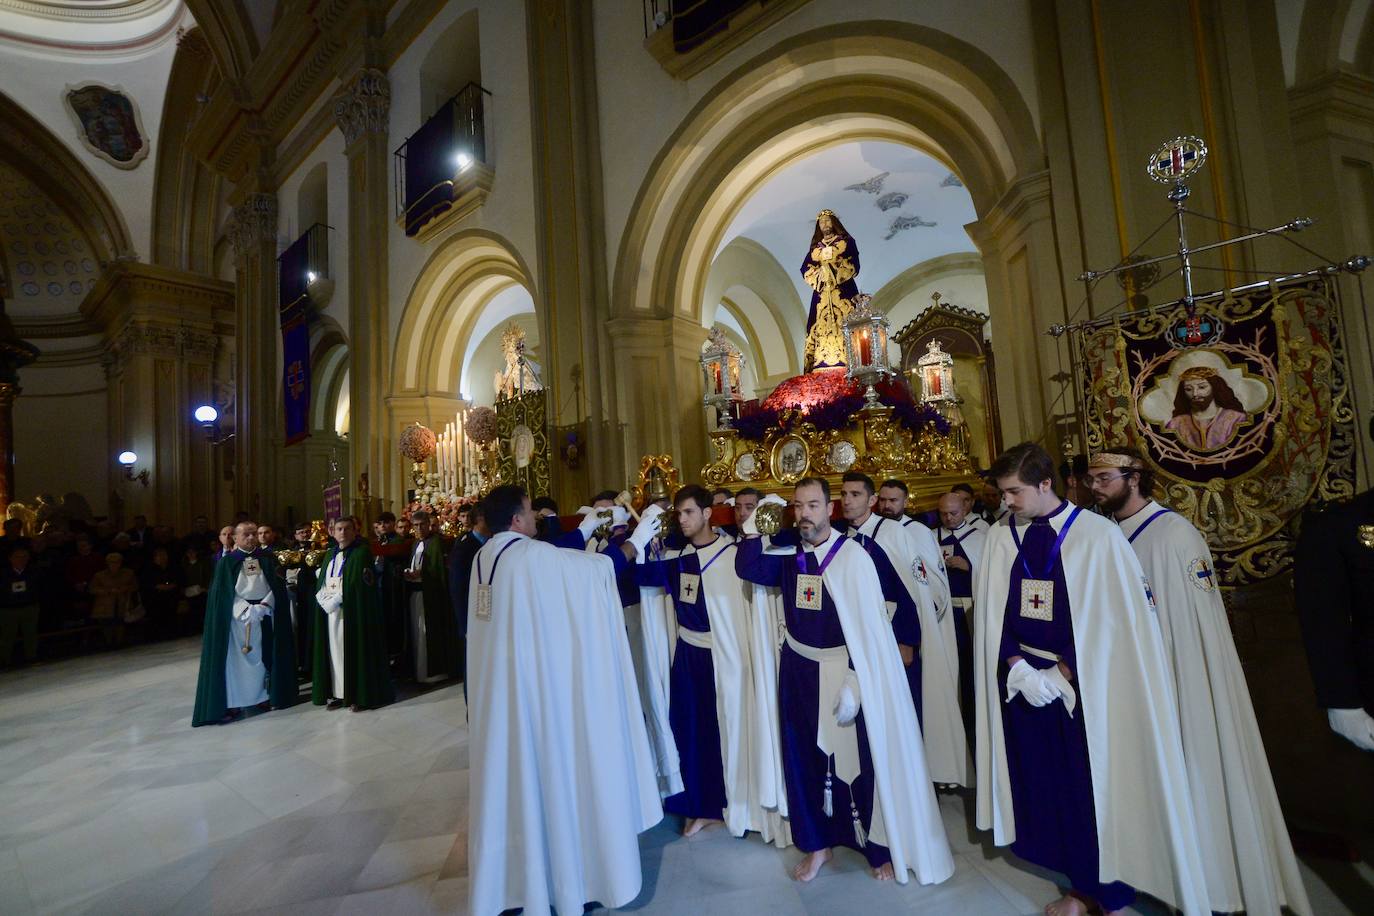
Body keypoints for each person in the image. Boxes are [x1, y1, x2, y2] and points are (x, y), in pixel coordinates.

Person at [974, 442, 1209, 916]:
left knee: (1094, 792)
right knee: (1047, 789)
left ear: (1047, 484)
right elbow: (990, 615)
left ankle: (1113, 893)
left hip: (1085, 689)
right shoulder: (1002, 537)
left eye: (1015, 492)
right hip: (1024, 684)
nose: (1007, 503)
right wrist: (1017, 665)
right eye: (1003, 494)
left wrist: (1062, 671)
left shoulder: (1098, 535)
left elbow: (1114, 619)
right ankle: (1079, 887)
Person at [1088, 449, 1310, 914]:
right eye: (1092, 479)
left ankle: (1215, 888)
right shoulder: (1107, 534)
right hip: (1135, 683)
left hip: (1177, 682)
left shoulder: (1174, 535)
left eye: (1104, 478)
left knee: (1199, 777)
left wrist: (1173, 681)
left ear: (1135, 478)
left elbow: (1192, 629)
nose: (1095, 487)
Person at [736, 476, 953, 885]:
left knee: (862, 763)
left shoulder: (854, 556)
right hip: (799, 669)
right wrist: (756, 525)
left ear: (829, 508)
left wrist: (856, 677)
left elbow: (878, 615)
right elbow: (747, 567)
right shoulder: (786, 553)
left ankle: (876, 847)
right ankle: (817, 844)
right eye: (797, 506)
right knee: (804, 760)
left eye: (813, 505)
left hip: (847, 670)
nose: (804, 514)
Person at [467, 484, 662, 915]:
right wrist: (636, 541)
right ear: (517, 520)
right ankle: (567, 881)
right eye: (529, 512)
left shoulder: (488, 557)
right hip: (538, 699)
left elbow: (558, 559)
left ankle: (518, 884)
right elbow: (592, 572)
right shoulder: (530, 558)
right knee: (549, 779)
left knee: (514, 788)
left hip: (501, 700)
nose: (536, 517)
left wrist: (583, 531)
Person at [634, 484, 786, 843]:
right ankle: (698, 805)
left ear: (706, 513)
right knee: (690, 730)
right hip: (689, 655)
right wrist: (636, 541)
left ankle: (731, 802)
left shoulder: (732, 555)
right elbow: (642, 580)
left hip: (725, 657)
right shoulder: (678, 556)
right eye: (678, 513)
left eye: (688, 512)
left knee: (727, 729)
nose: (682, 519)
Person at [839, 473, 967, 788]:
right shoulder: (842, 537)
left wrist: (909, 639)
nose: (847, 500)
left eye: (855, 494)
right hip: (859, 643)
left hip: (896, 643)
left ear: (870, 500)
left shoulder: (897, 533)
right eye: (843, 494)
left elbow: (920, 590)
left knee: (905, 720)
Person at [191, 521, 297, 726]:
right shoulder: (227, 562)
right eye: (245, 535)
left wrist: (265, 605)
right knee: (235, 662)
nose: (250, 538)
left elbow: (276, 586)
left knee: (264, 658)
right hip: (237, 620)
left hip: (265, 615)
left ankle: (264, 698)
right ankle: (235, 702)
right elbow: (223, 594)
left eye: (252, 534)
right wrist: (245, 610)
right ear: (236, 538)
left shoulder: (267, 558)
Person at [313, 516, 394, 711]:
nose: (343, 532)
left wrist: (335, 599)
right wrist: (323, 598)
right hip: (331, 613)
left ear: (354, 531)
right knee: (336, 654)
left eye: (347, 529)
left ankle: (358, 695)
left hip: (352, 613)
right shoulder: (330, 554)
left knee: (353, 651)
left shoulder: (360, 553)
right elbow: (324, 580)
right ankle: (341, 693)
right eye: (339, 529)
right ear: (332, 532)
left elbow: (358, 584)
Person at [936, 490, 984, 739]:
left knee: (970, 666)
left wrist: (970, 567)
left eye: (953, 513)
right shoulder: (931, 537)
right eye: (943, 514)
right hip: (943, 612)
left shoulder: (979, 537)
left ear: (964, 510)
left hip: (969, 610)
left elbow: (989, 574)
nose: (948, 518)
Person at [403, 510, 461, 683]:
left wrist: (422, 574)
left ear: (429, 525)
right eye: (415, 525)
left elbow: (438, 570)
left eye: (422, 525)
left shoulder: (436, 543)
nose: (419, 528)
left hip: (432, 596)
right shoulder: (415, 544)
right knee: (418, 632)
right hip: (416, 593)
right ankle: (420, 672)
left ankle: (434, 674)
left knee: (429, 633)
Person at [447, 504, 487, 707]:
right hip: (471, 618)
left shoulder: (490, 543)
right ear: (480, 519)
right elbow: (458, 589)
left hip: (486, 617)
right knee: (472, 667)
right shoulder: (464, 547)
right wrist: (465, 625)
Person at [1165, 365, 1249, 451]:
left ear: (1214, 387)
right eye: (1188, 389)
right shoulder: (1176, 423)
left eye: (1202, 387)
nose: (1195, 394)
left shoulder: (1236, 418)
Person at [0, 547, 41, 666]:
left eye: (24, 557)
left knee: (31, 633)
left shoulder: (34, 572)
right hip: (8, 609)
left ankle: (31, 657)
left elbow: (38, 588)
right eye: (18, 557)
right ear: (11, 559)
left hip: (29, 607)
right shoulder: (3, 574)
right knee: (7, 635)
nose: (21, 559)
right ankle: (4, 660)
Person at [89, 551, 138, 644]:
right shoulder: (99, 575)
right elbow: (92, 589)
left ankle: (119, 642)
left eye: (117, 562)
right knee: (107, 624)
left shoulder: (128, 573)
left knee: (121, 623)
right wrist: (108, 591)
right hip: (105, 605)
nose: (115, 564)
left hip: (122, 602)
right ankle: (109, 643)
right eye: (112, 562)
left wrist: (125, 588)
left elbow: (135, 586)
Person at [139, 546, 181, 640]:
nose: (162, 557)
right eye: (160, 555)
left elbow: (178, 580)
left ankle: (172, 633)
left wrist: (170, 586)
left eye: (164, 555)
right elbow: (146, 584)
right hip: (154, 597)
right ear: (155, 557)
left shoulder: (172, 567)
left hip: (171, 595)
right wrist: (158, 586)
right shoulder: (148, 569)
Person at [181, 544, 211, 636]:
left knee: (202, 611)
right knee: (192, 612)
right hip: (189, 592)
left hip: (201, 591)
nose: (191, 554)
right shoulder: (184, 565)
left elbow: (207, 576)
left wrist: (205, 588)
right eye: (189, 553)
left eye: (192, 552)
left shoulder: (202, 564)